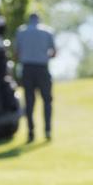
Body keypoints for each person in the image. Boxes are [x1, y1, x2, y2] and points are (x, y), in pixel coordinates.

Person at [13, 11, 57, 141]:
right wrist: (43, 55)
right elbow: (54, 53)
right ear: (39, 20)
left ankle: (31, 132)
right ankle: (47, 130)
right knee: (47, 101)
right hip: (42, 69)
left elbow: (16, 54)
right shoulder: (47, 31)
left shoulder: (21, 32)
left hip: (27, 70)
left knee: (29, 102)